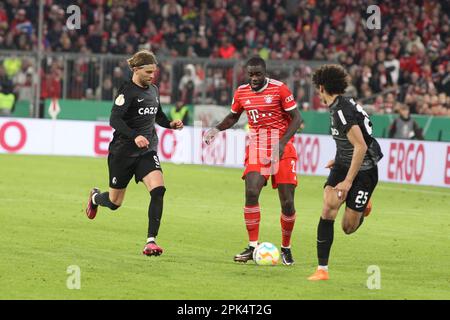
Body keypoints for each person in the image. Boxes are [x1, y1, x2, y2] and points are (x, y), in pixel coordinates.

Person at [204, 57, 302, 265]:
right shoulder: (241, 92)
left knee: (287, 202)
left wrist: (283, 142)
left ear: (265, 72)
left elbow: (297, 118)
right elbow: (233, 117)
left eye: (258, 74)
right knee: (251, 192)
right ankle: (252, 246)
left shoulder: (280, 89)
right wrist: (216, 129)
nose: (254, 78)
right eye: (251, 74)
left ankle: (286, 248)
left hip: (282, 147)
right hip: (258, 146)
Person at [85, 50, 183, 256]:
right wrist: (134, 136)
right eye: (148, 72)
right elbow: (115, 120)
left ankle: (151, 241)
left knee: (158, 190)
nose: (152, 76)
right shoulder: (126, 92)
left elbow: (159, 116)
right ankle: (95, 199)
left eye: (154, 72)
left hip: (146, 151)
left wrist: (171, 124)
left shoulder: (153, 90)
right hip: (122, 153)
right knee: (114, 203)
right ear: (136, 70)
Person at [307, 64, 383, 281]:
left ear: (322, 88)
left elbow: (360, 146)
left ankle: (363, 205)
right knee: (329, 205)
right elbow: (348, 142)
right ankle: (322, 270)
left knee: (348, 227)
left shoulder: (341, 110)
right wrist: (338, 158)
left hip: (364, 171)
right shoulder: (340, 105)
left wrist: (348, 181)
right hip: (343, 164)